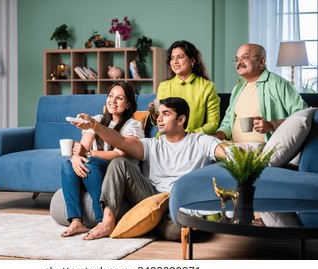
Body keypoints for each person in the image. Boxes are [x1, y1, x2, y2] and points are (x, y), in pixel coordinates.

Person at [72, 97, 227, 240]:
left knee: (175, 232)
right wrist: (94, 125)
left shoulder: (200, 141)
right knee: (119, 163)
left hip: (179, 201)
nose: (159, 119)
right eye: (159, 114)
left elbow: (228, 153)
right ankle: (107, 222)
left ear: (181, 119)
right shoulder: (152, 144)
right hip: (150, 197)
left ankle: (152, 225)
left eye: (165, 114)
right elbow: (121, 141)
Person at [60, 82, 144, 237]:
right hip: (95, 169)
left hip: (117, 174)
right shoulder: (97, 119)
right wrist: (75, 158)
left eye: (119, 98)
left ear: (128, 105)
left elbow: (120, 154)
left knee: (91, 163)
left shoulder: (133, 125)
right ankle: (76, 221)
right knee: (67, 165)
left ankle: (101, 221)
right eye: (111, 96)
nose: (113, 101)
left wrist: (88, 154)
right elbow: (83, 147)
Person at [214, 43, 307, 146]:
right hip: (234, 147)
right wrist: (215, 137)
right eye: (237, 59)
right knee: (199, 143)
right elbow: (227, 123)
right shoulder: (237, 88)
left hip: (262, 148)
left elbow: (302, 115)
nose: (239, 63)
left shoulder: (279, 84)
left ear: (261, 61)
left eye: (245, 57)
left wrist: (272, 125)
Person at [148, 40, 220, 134]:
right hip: (166, 140)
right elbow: (158, 120)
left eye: (180, 57)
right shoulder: (163, 86)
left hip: (194, 141)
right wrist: (153, 114)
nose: (175, 62)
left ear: (192, 61)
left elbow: (213, 123)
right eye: (172, 58)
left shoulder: (207, 87)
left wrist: (191, 136)